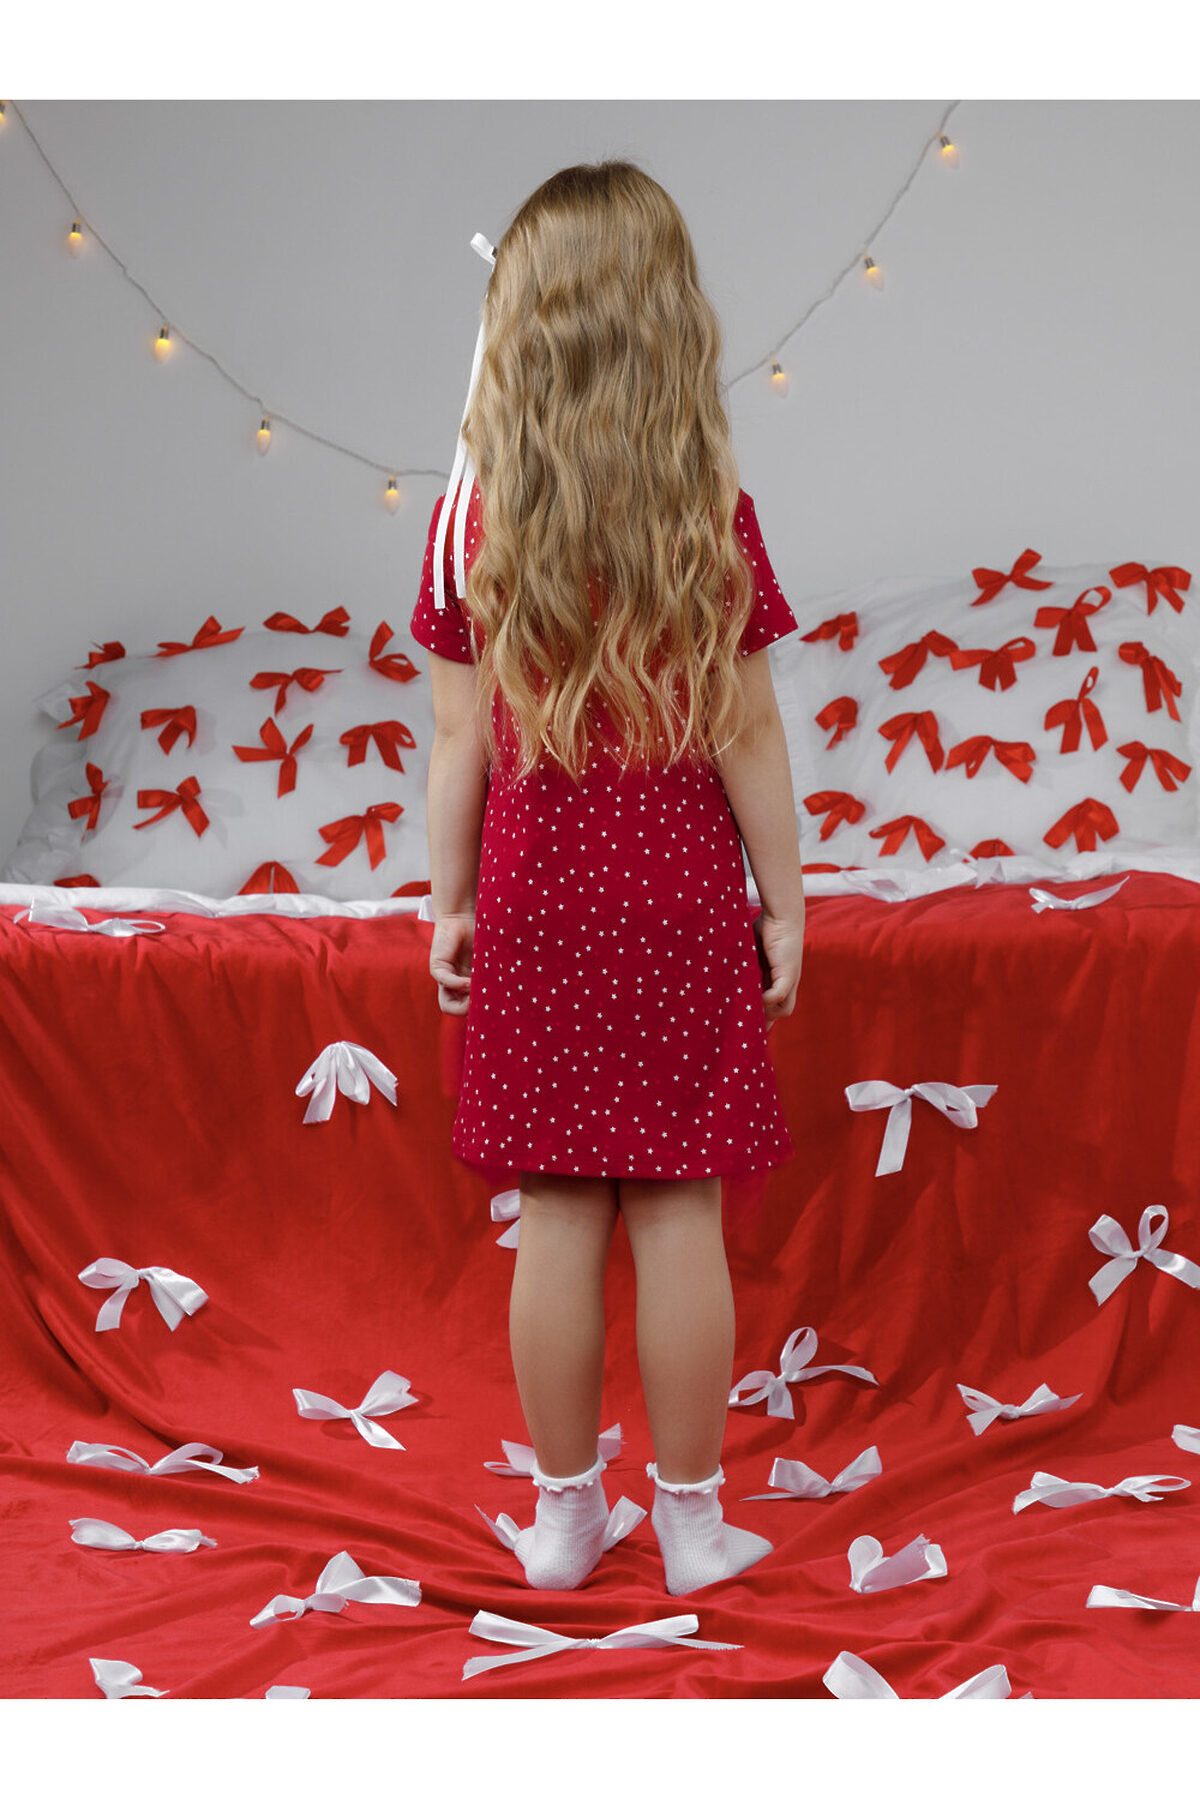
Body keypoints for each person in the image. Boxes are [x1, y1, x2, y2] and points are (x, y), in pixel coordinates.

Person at [409, 159, 805, 1597]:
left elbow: (458, 739)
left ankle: (567, 1519)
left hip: (537, 909)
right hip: (681, 905)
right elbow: (749, 731)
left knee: (560, 1218)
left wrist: (450, 903)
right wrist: (787, 902)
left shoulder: (471, 526)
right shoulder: (709, 515)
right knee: (681, 1213)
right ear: (670, 327)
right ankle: (692, 1525)